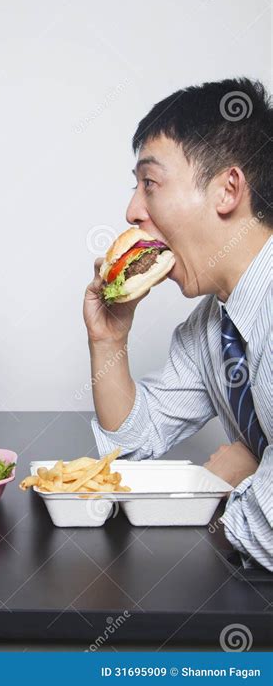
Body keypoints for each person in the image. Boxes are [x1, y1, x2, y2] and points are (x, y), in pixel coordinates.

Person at [83, 77, 272, 570]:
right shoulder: (211, 328)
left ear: (227, 189)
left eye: (150, 184)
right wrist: (109, 341)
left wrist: (231, 484)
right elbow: (129, 454)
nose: (131, 210)